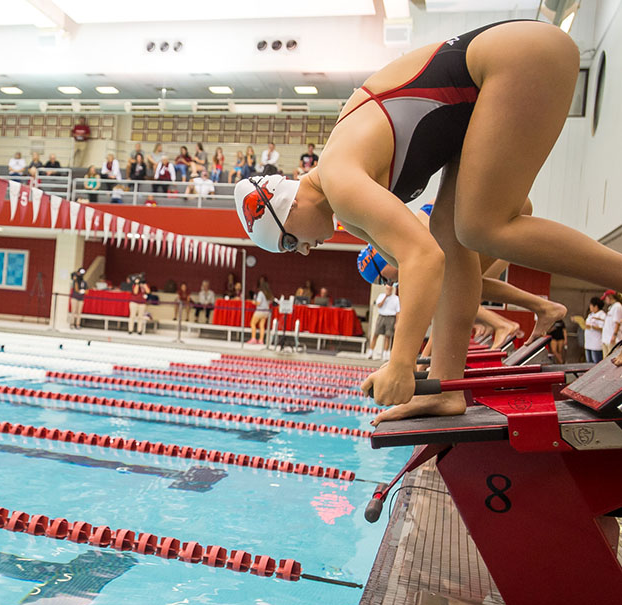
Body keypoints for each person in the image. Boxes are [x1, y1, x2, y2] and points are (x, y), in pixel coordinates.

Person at [233, 20, 622, 423]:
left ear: (289, 208)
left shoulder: (339, 178)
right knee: (456, 236)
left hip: (517, 57)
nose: (304, 250)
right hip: (496, 75)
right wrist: (433, 374)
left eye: (288, 242)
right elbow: (440, 267)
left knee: (478, 226)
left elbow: (423, 260)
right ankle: (447, 389)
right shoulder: (349, 203)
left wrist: (401, 364)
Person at [356, 203, 567, 347]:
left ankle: (516, 319)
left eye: (384, 278)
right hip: (504, 211)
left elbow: (433, 312)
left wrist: (416, 365)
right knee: (470, 287)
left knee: (454, 289)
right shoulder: (415, 234)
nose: (391, 282)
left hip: (501, 210)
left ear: (381, 258)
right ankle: (526, 314)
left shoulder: (420, 240)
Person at [368, 283, 400, 360]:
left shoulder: (396, 298)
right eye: (387, 289)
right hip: (382, 316)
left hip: (390, 317)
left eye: (390, 289)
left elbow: (397, 312)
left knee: (388, 336)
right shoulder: (381, 296)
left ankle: (386, 354)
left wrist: (397, 322)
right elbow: (379, 305)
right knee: (376, 334)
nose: (388, 290)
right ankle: (371, 352)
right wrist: (386, 297)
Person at [248, 278, 273, 345]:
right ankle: (261, 340)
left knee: (252, 323)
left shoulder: (261, 293)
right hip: (266, 311)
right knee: (261, 325)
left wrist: (253, 302)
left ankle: (253, 338)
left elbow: (258, 303)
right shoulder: (268, 294)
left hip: (260, 310)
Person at [600, 290, 622, 359]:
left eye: (606, 298)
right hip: (606, 338)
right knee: (605, 359)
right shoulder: (611, 307)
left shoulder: (617, 306)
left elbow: (617, 322)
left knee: (611, 359)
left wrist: (614, 335)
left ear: (610, 297)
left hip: (612, 339)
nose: (605, 300)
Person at [585, 297, 606, 363]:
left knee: (596, 362)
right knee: (588, 363)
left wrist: (592, 326)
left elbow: (602, 328)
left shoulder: (602, 315)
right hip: (588, 343)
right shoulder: (590, 315)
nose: (590, 307)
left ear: (596, 306)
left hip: (596, 343)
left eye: (591, 305)